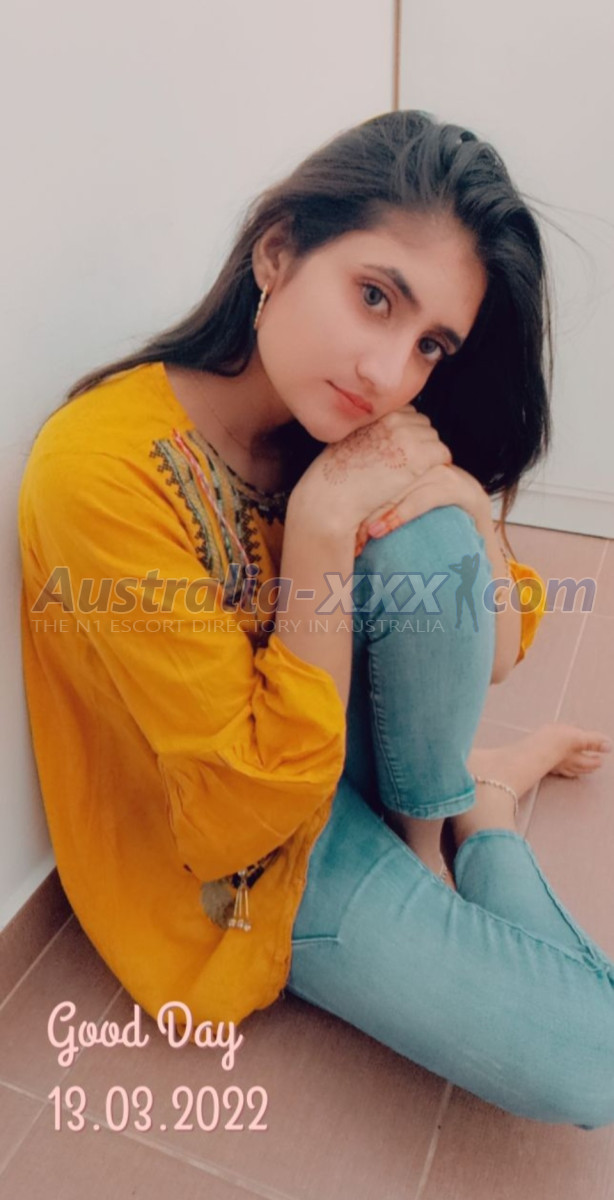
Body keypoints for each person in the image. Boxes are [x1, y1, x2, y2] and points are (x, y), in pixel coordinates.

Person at [18, 110, 614, 1129]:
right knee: (593, 1066)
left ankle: (426, 827)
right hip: (238, 855)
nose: (387, 370)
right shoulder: (100, 472)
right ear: (278, 250)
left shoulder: (343, 421)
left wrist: (466, 509)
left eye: (429, 344)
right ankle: (479, 806)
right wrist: (322, 523)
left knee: (429, 536)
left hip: (337, 757)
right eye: (374, 296)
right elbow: (242, 819)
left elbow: (500, 637)